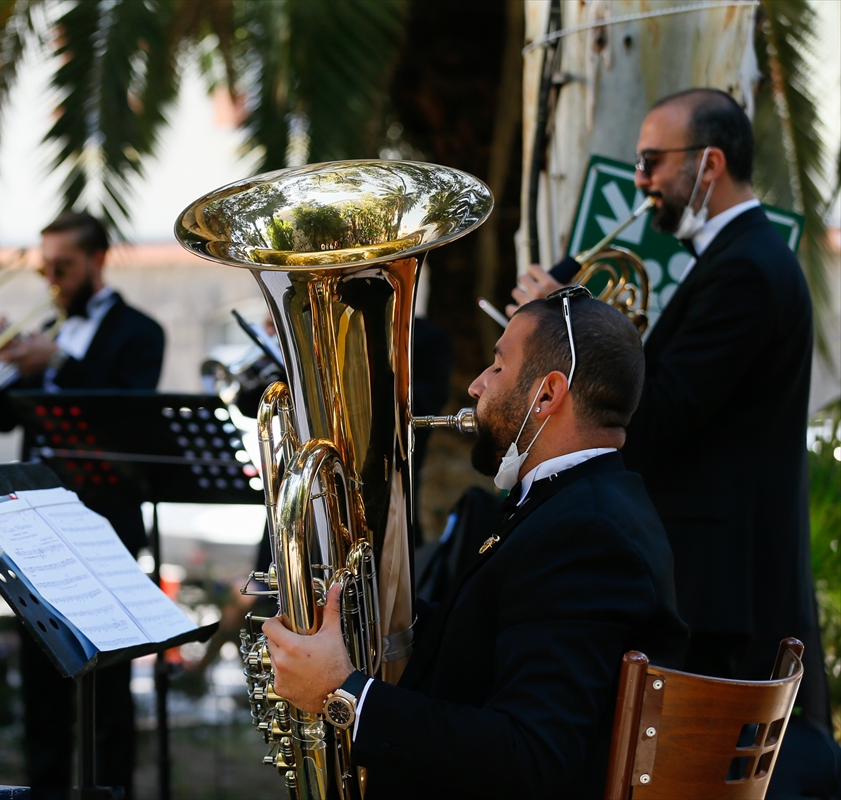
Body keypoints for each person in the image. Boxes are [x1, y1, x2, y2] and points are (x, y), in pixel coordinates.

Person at [509, 89, 837, 789]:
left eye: (653, 161)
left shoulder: (746, 269)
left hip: (722, 584)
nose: (642, 181)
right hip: (720, 573)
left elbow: (662, 412)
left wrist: (564, 326)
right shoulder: (738, 260)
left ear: (709, 164)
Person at [262, 289, 688, 799]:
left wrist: (344, 693)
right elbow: (494, 635)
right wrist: (354, 614)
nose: (476, 385)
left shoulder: (588, 533)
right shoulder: (571, 504)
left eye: (497, 366)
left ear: (547, 395)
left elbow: (532, 753)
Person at [0, 211, 164, 800]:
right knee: (40, 687)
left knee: (107, 685)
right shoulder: (48, 325)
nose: (53, 280)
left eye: (62, 267)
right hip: (32, 522)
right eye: (46, 269)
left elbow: (123, 415)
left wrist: (57, 365)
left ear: (97, 260)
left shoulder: (140, 331)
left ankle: (109, 791)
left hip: (103, 523)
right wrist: (1, 365)